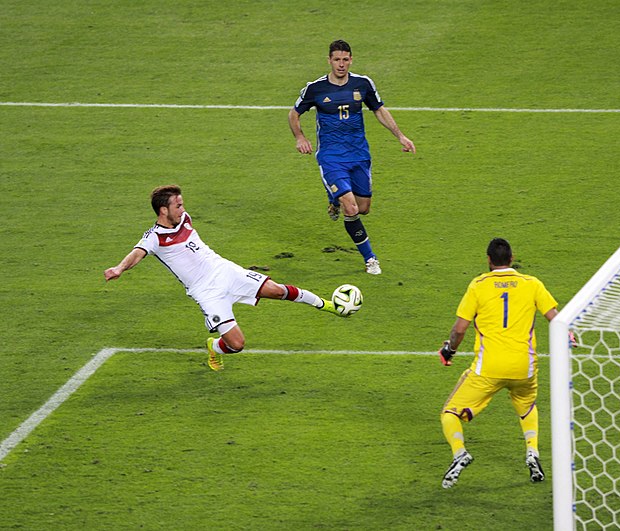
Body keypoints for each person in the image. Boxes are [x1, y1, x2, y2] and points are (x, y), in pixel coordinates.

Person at [104, 185, 345, 371]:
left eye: (182, 204)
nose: (182, 208)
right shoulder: (155, 237)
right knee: (236, 344)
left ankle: (329, 305)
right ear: (163, 210)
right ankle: (213, 346)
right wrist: (119, 268)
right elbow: (137, 254)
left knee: (277, 290)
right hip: (206, 291)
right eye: (177, 205)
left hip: (224, 270)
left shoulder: (184, 219)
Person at [437, 238, 569, 489]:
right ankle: (532, 452)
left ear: (488, 260)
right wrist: (568, 335)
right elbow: (556, 318)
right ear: (512, 258)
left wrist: (449, 350)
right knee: (527, 406)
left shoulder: (478, 285)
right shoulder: (532, 284)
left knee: (450, 412)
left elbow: (459, 329)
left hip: (489, 368)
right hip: (524, 368)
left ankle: (459, 453)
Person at [288, 39, 416, 275]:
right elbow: (294, 114)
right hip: (331, 157)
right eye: (336, 59)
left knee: (364, 208)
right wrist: (300, 137)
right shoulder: (315, 88)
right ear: (329, 60)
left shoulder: (363, 84)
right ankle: (370, 259)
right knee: (351, 207)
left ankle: (333, 196)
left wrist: (400, 136)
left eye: (345, 59)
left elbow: (379, 110)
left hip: (359, 155)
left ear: (351, 60)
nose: (341, 64)